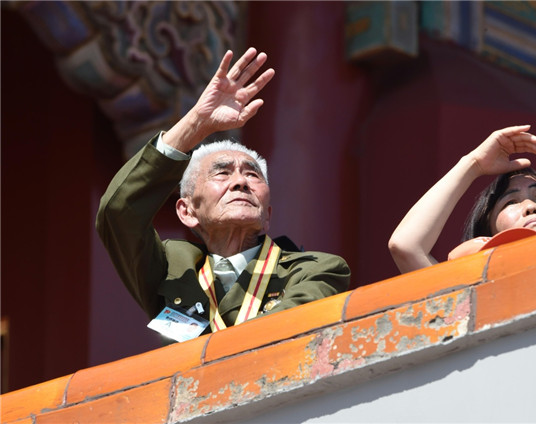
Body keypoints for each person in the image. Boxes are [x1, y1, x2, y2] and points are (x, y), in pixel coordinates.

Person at [96, 48, 350, 337]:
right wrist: (197, 123)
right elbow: (119, 212)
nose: (240, 182)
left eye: (252, 174)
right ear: (187, 211)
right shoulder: (173, 269)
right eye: (222, 172)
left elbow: (280, 334)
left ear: (267, 216)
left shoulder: (316, 269)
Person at [388, 125, 536, 274]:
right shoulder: (469, 296)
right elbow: (406, 246)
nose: (530, 207)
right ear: (488, 233)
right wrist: (474, 164)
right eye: (511, 202)